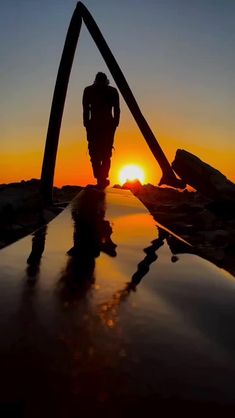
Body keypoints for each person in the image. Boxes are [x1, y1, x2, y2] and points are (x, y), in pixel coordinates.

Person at [82, 72, 120, 188]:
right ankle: (101, 178)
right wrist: (86, 124)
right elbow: (85, 109)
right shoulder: (91, 90)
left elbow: (117, 109)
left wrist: (115, 123)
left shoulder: (91, 90)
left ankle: (101, 178)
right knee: (99, 153)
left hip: (102, 125)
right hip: (98, 125)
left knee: (100, 153)